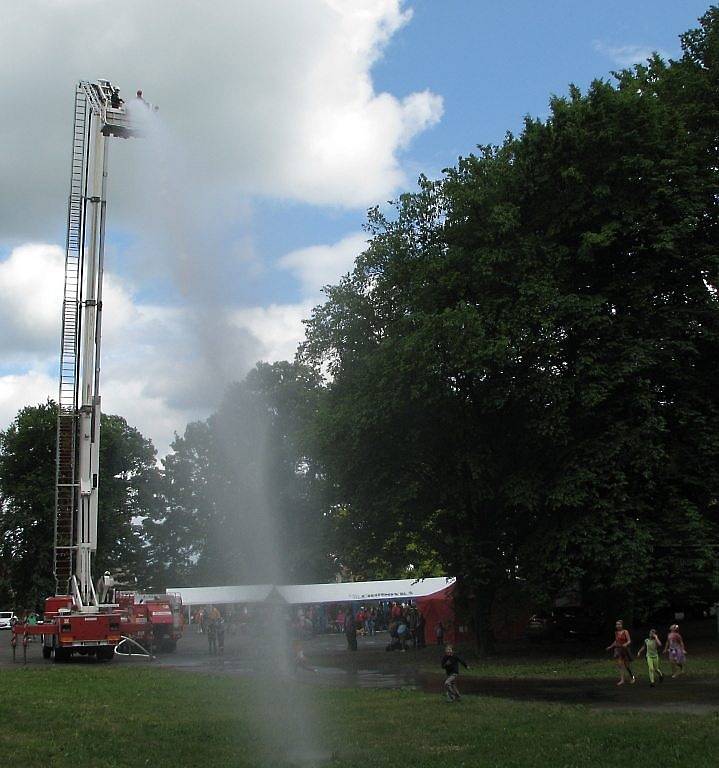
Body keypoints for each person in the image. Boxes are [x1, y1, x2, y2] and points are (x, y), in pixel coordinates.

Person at [606, 619, 636, 685]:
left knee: (627, 666)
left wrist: (626, 644)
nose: (618, 625)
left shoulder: (625, 631)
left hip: (625, 650)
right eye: (617, 624)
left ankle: (633, 677)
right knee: (620, 665)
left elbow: (629, 640)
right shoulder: (616, 633)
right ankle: (622, 680)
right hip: (618, 650)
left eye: (619, 624)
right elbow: (616, 641)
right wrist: (610, 647)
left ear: (622, 625)